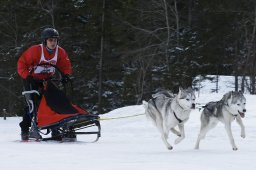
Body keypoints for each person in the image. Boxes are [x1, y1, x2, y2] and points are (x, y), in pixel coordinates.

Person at [17, 28, 72, 140]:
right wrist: (27, 76)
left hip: (47, 80)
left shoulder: (60, 52)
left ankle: (55, 128)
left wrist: (66, 75)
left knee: (54, 102)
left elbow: (65, 65)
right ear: (45, 41)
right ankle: (25, 129)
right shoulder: (35, 50)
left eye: (55, 40)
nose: (53, 43)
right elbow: (21, 64)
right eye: (50, 40)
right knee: (31, 104)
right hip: (32, 80)